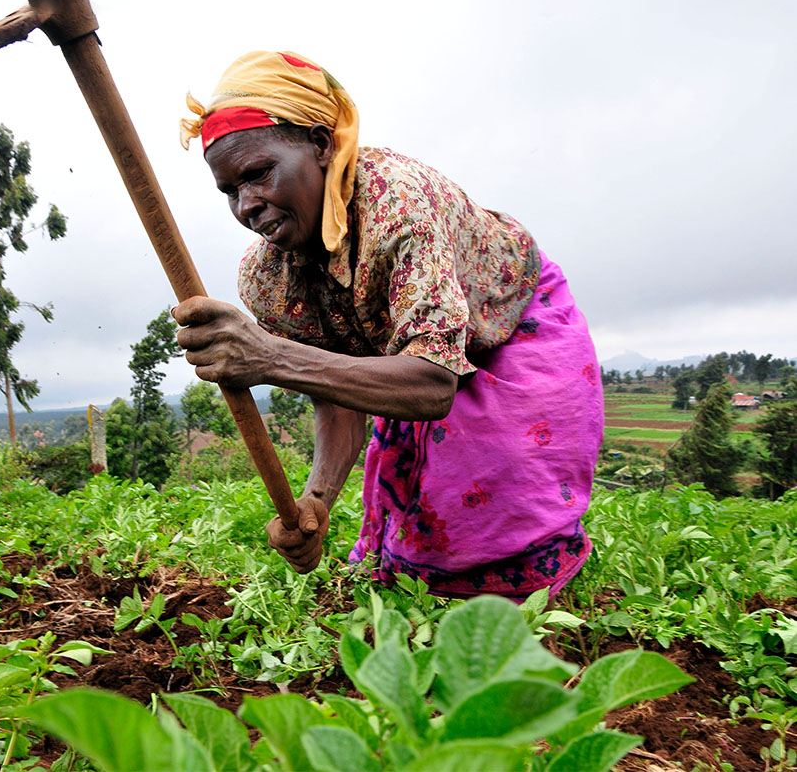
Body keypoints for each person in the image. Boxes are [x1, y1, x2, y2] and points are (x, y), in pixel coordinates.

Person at [173, 51, 603, 599]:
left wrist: (270, 357)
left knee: (499, 489)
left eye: (259, 174)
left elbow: (431, 384)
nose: (247, 205)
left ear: (321, 145)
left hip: (510, 320)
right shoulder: (267, 278)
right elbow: (337, 391)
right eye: (230, 190)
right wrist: (317, 501)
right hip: (411, 352)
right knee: (417, 540)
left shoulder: (398, 205)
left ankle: (531, 613)